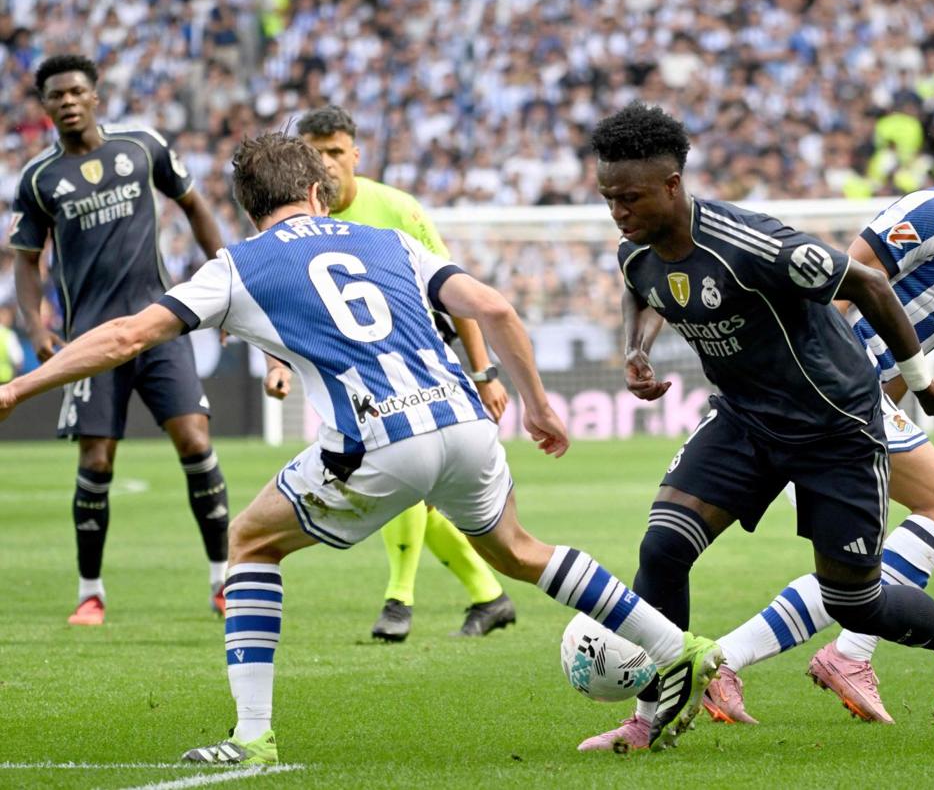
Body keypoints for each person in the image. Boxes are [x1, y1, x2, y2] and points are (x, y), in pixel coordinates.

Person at [0, 132, 725, 761]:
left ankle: (253, 734)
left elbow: (127, 336)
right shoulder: (387, 241)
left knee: (250, 541)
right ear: (317, 192)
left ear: (248, 207)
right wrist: (535, 404)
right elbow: (496, 307)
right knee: (517, 550)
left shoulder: (238, 265)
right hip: (467, 424)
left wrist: (17, 388)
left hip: (378, 438)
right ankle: (681, 649)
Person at [578, 102, 934, 752]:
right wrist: (637, 348)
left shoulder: (753, 244)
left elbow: (871, 284)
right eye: (608, 198)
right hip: (743, 417)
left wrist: (919, 379)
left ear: (673, 186)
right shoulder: (636, 249)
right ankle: (652, 714)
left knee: (855, 602)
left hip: (835, 427)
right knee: (662, 548)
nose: (618, 211)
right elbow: (644, 283)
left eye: (629, 197)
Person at [704, 119, 934, 725]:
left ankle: (772, 657)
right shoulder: (933, 214)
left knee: (856, 567)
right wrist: (818, 384)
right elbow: (837, 286)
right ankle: (835, 652)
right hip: (830, 392)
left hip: (865, 400)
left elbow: (910, 344)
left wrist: (902, 401)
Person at [264, 105, 515, 641]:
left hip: (418, 360)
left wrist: (485, 371)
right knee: (418, 491)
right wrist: (278, 363)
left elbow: (459, 293)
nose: (327, 163)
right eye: (315, 153)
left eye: (336, 151)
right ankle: (490, 597)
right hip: (352, 373)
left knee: (403, 473)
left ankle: (399, 600)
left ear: (356, 153)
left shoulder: (398, 209)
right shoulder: (297, 224)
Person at [7, 54, 229, 625]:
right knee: (97, 461)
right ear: (46, 106)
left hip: (160, 324)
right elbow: (26, 262)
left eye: (78, 91)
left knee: (196, 444)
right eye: (57, 95)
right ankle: (90, 591)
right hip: (91, 341)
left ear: (96, 96)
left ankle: (222, 580)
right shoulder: (38, 179)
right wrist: (36, 326)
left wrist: (228, 279)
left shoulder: (141, 147)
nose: (69, 101)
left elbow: (195, 206)